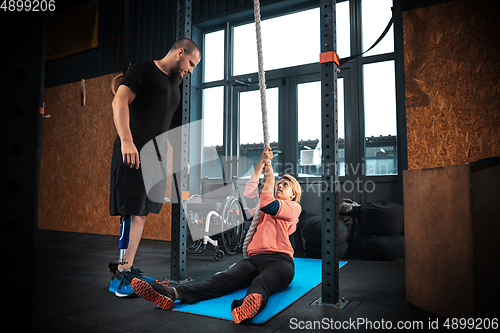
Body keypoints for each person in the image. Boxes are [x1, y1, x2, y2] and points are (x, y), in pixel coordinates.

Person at [130, 147, 303, 324]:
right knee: (221, 280)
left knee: (262, 283)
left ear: (293, 195)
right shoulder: (260, 209)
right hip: (254, 259)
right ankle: (172, 293)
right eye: (279, 182)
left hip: (280, 261)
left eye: (285, 185)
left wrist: (271, 178)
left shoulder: (293, 209)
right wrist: (261, 163)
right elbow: (249, 191)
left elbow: (268, 204)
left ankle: (248, 305)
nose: (280, 185)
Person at [108, 38, 201, 297]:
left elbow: (168, 128)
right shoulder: (144, 70)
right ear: (180, 52)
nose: (191, 70)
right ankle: (120, 276)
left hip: (155, 157)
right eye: (190, 63)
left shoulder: (175, 87)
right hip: (134, 151)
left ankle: (127, 269)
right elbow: (119, 102)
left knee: (142, 213)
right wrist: (126, 141)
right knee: (132, 211)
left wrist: (181, 158)